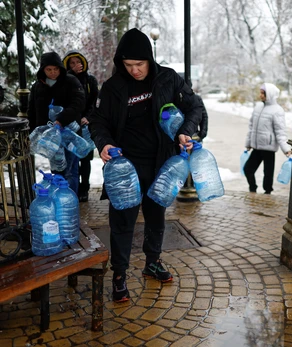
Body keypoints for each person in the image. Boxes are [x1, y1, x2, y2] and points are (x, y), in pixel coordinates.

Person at [89, 28, 203, 303]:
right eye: (128, 65)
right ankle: (119, 274)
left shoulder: (168, 79)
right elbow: (98, 121)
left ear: (150, 60)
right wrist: (103, 143)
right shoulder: (113, 87)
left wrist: (186, 131)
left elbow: (195, 107)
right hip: (125, 165)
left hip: (161, 162)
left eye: (140, 64)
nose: (135, 70)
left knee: (156, 214)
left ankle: (152, 261)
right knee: (123, 220)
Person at [27, 52, 85, 194]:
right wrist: (33, 132)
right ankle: (59, 199)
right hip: (50, 137)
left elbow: (78, 103)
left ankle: (70, 199)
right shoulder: (37, 86)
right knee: (57, 169)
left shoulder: (71, 81)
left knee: (70, 170)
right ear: (43, 70)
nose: (53, 73)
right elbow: (32, 111)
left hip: (70, 134)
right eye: (49, 70)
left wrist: (61, 120)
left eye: (56, 69)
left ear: (60, 68)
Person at [62, 50, 99, 202]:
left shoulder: (90, 80)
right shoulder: (65, 81)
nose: (77, 65)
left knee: (85, 159)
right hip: (70, 124)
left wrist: (88, 117)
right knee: (71, 159)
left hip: (85, 125)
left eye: (79, 62)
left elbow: (94, 102)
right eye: (72, 63)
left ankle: (84, 188)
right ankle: (73, 188)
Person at [244, 83, 291, 194]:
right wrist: (248, 142)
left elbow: (280, 131)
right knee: (248, 169)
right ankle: (252, 188)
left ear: (269, 94)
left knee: (268, 174)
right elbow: (251, 126)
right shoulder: (258, 107)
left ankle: (268, 194)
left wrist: (286, 149)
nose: (260, 95)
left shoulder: (277, 110)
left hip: (269, 148)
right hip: (256, 147)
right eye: (260, 93)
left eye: (263, 93)